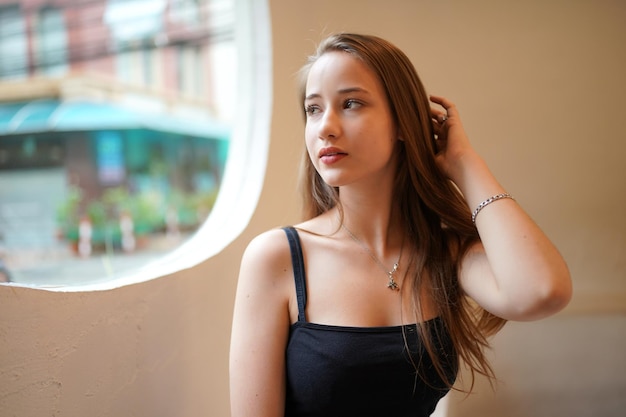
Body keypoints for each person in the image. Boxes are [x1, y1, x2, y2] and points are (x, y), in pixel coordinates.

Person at [229, 33, 572, 417]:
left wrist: (464, 163)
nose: (325, 126)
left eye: (351, 103)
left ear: (403, 123)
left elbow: (543, 291)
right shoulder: (278, 258)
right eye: (313, 109)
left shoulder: (443, 253)